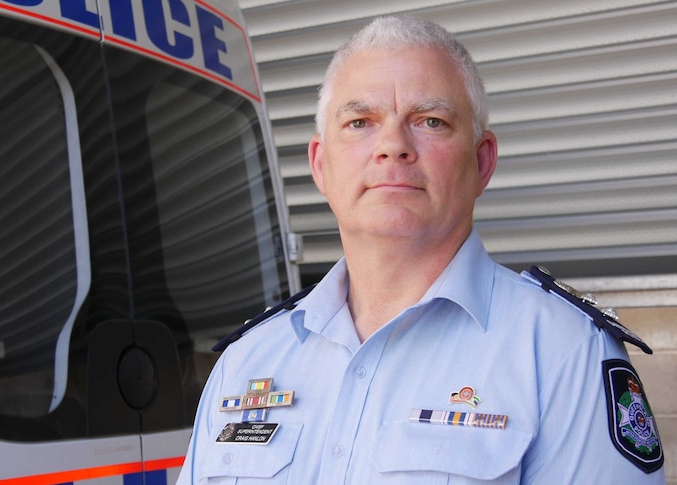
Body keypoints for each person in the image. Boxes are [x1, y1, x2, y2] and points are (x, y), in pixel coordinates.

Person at [177, 15, 665, 484]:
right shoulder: (247, 361)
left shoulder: (565, 354)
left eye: (430, 121)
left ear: (481, 162)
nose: (392, 145)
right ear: (321, 166)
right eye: (360, 122)